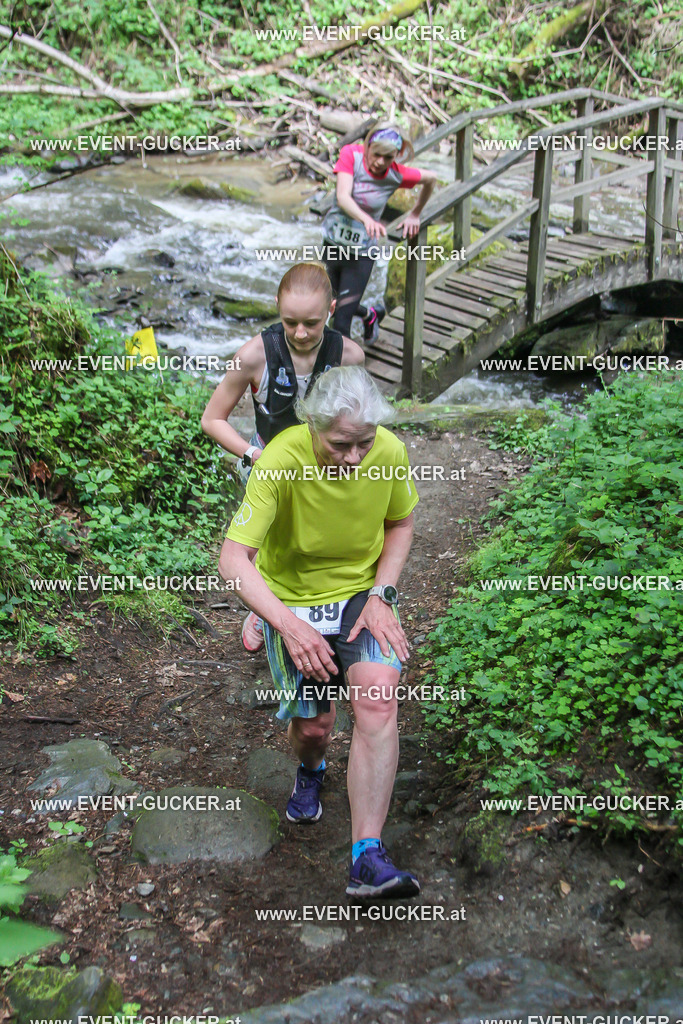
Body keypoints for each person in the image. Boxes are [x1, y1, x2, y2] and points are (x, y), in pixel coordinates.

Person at [219, 365, 420, 899]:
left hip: (360, 594)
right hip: (293, 600)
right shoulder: (281, 461)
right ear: (312, 426)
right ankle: (311, 768)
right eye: (340, 444)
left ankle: (366, 856)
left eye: (364, 442)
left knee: (377, 699)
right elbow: (235, 559)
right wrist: (284, 624)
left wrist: (383, 595)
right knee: (316, 726)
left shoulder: (390, 454)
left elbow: (400, 523)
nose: (354, 458)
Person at [201, 262, 364, 651]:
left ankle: (322, 607)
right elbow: (212, 419)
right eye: (289, 322)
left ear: (331, 309)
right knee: (269, 544)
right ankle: (263, 612)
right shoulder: (254, 355)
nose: (301, 333)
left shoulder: (350, 356)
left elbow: (358, 422)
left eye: (311, 322)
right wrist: (251, 453)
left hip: (325, 468)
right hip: (267, 465)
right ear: (277, 306)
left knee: (311, 542)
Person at [321, 123, 437, 345]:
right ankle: (370, 315)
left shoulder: (395, 174)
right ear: (367, 146)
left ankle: (337, 377)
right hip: (333, 242)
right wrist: (366, 219)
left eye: (388, 157)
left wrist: (415, 213)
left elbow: (431, 179)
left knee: (341, 323)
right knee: (329, 305)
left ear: (396, 155)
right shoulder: (351, 156)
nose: (380, 162)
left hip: (361, 252)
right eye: (376, 154)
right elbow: (343, 197)